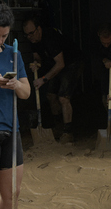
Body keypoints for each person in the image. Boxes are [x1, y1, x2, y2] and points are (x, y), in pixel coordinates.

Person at [22, 15, 84, 143]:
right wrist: (36, 63)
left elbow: (60, 64)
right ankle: (58, 126)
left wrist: (43, 79)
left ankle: (68, 132)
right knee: (51, 95)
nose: (30, 37)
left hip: (72, 63)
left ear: (38, 29)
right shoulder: (32, 40)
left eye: (32, 33)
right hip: (55, 65)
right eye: (27, 35)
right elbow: (37, 57)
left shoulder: (50, 38)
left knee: (63, 97)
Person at [0, 0, 31, 207]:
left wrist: (15, 83)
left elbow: (26, 92)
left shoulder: (13, 54)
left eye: (4, 36)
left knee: (12, 194)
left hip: (11, 131)